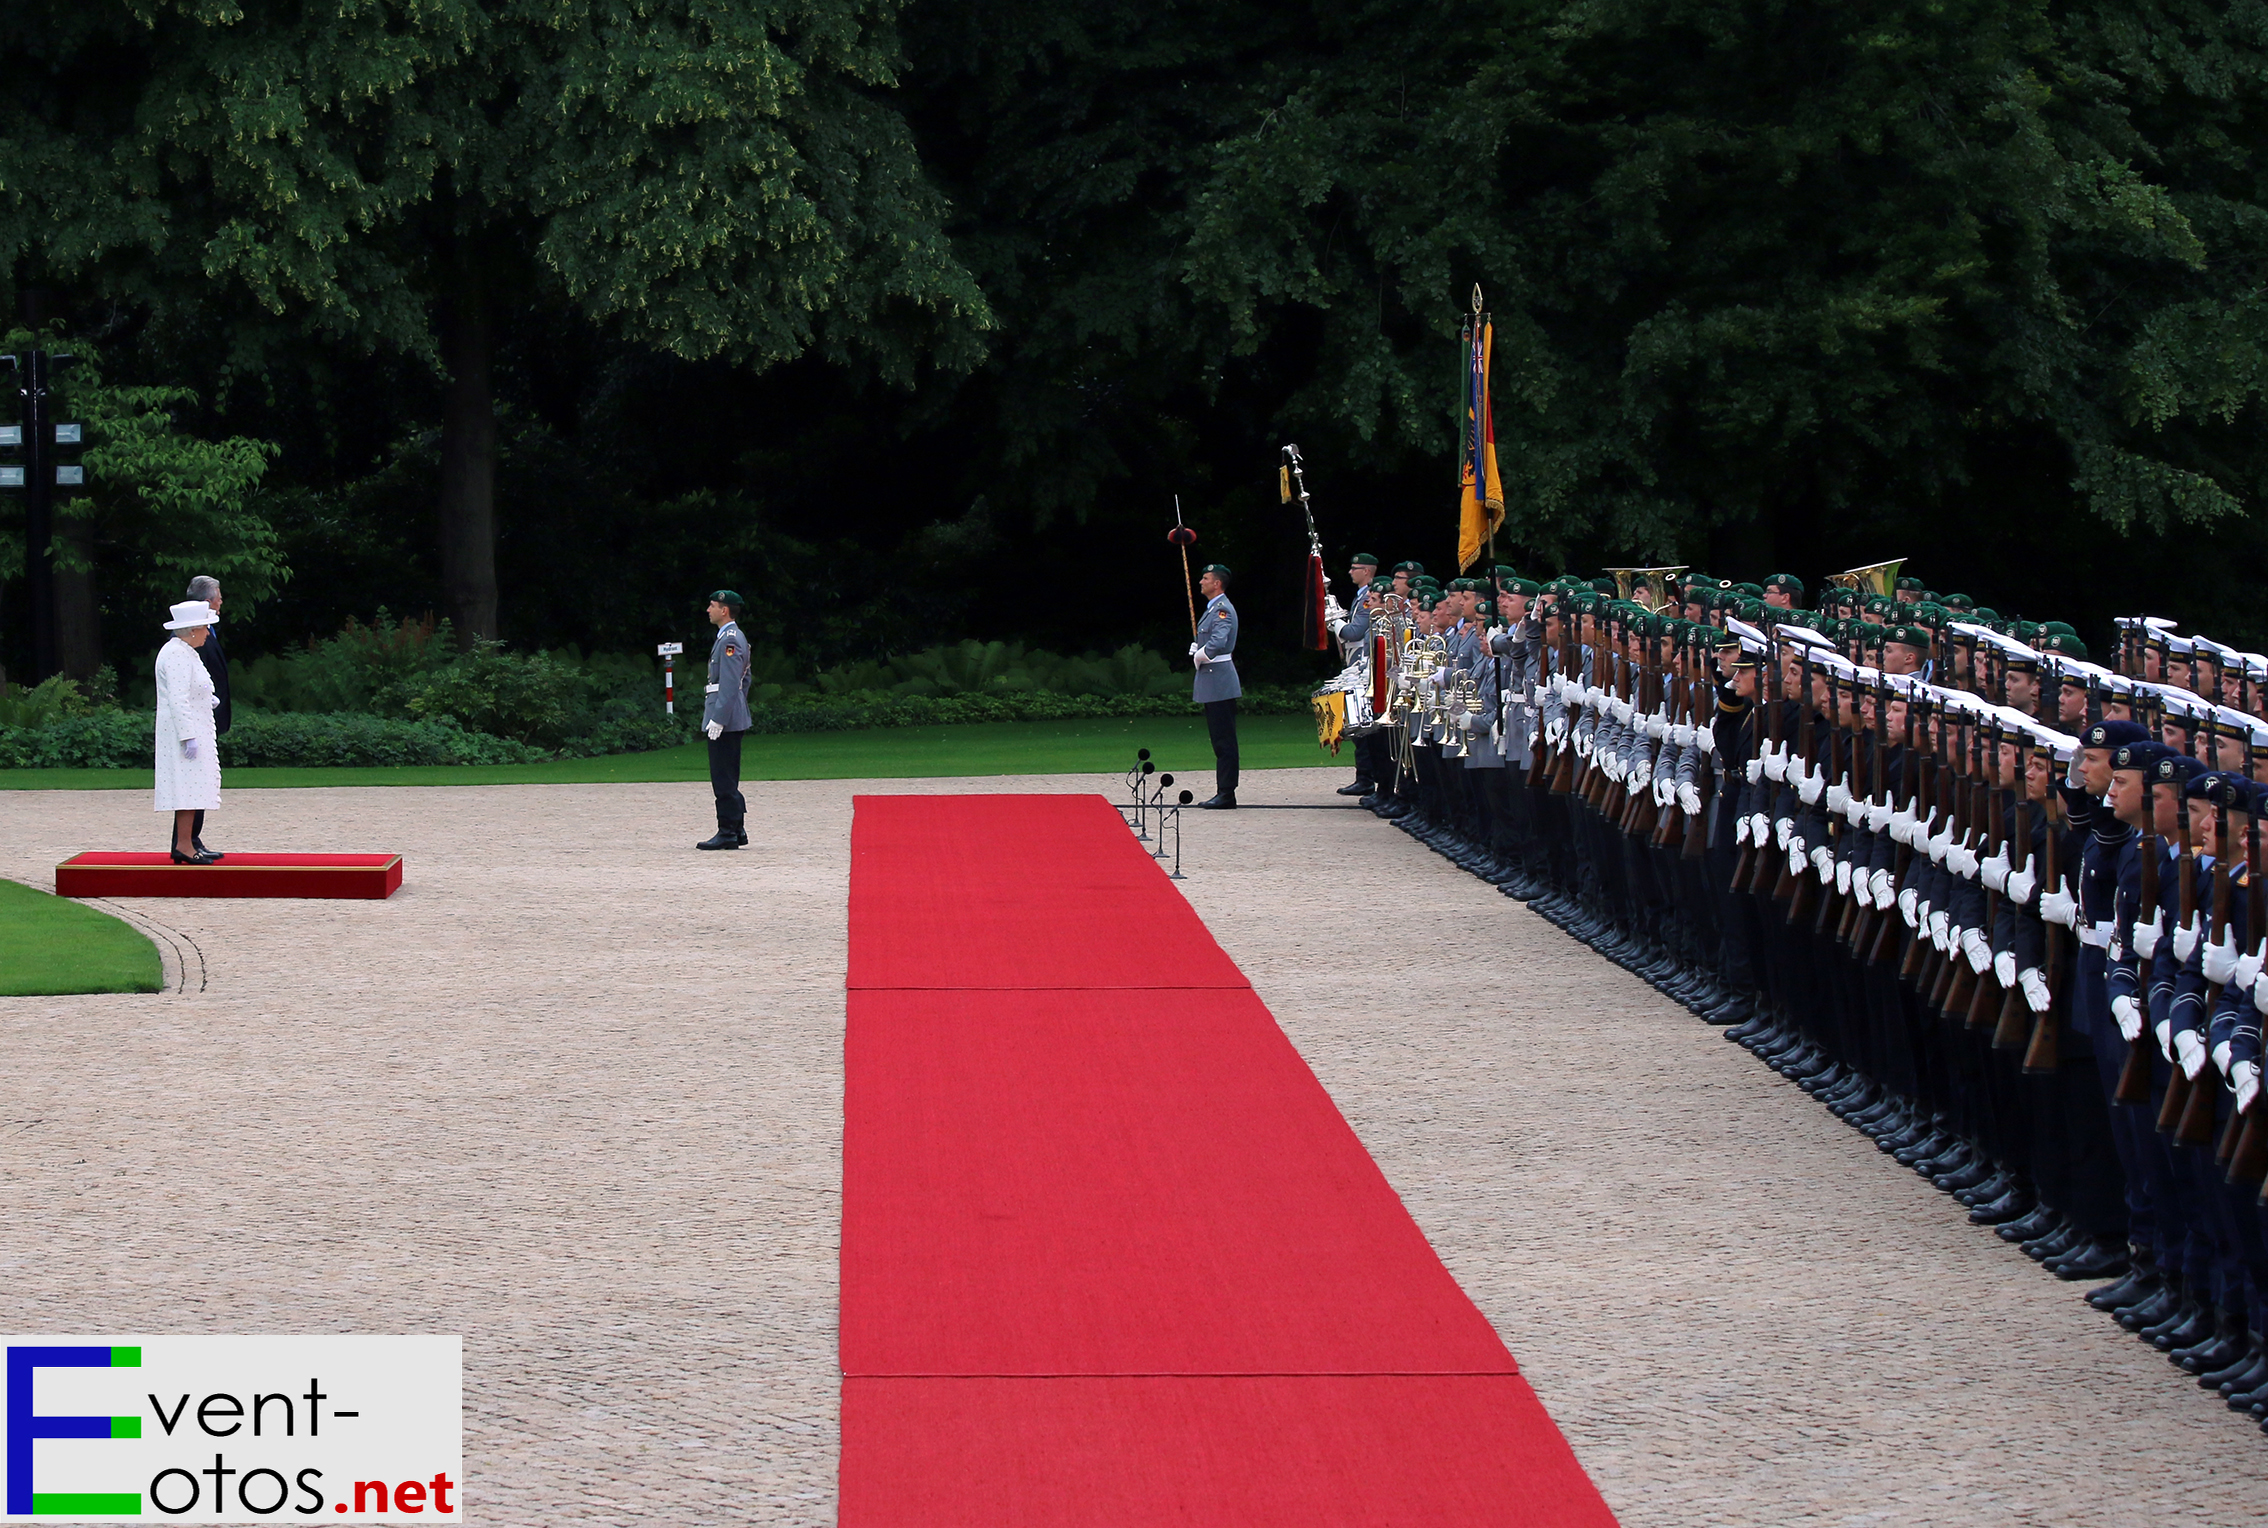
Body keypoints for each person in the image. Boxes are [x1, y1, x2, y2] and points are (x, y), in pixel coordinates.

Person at [155, 599, 223, 864]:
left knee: (194, 788)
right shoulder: (175, 654)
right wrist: (188, 736)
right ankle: (184, 844)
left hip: (196, 727)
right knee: (187, 788)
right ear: (193, 629)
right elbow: (178, 698)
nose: (208, 633)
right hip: (184, 733)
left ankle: (188, 842)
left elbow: (196, 687)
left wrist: (209, 699)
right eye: (205, 627)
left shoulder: (185, 651)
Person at [697, 589, 753, 850]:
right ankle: (737, 828)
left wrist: (719, 718)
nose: (708, 610)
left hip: (725, 718)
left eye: (712, 605)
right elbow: (745, 681)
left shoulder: (730, 639)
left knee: (723, 777)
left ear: (725, 610)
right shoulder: (730, 637)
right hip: (731, 713)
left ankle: (728, 831)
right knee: (728, 774)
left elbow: (730, 683)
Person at [185, 575, 230, 857]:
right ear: (206, 602)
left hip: (209, 715)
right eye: (219, 597)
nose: (221, 602)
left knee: (202, 780)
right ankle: (187, 842)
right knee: (193, 781)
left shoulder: (206, 632)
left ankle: (193, 839)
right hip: (199, 718)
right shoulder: (192, 636)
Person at [1192, 563, 1241, 808]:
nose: (1201, 581)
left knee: (1224, 740)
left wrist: (1203, 653)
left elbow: (1219, 639)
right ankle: (1224, 789)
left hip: (1219, 680)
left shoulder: (1222, 609)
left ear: (1217, 583)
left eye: (1205, 577)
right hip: (1214, 680)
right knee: (1219, 738)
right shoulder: (1213, 609)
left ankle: (1226, 792)